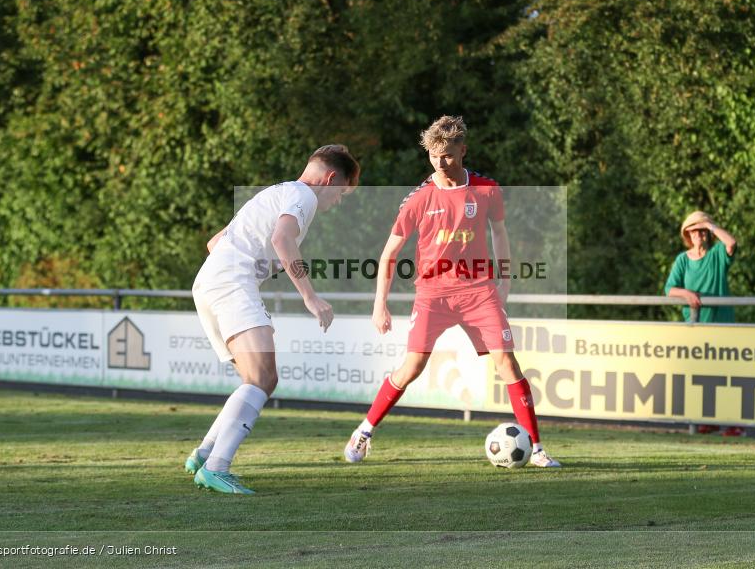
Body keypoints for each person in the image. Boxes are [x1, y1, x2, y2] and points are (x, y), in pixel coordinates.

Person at [343, 116, 561, 468]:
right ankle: (364, 432)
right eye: (432, 155)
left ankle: (536, 449)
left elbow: (500, 235)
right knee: (412, 366)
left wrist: (505, 282)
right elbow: (389, 254)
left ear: (463, 150)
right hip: (433, 294)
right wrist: (379, 305)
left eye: (446, 155)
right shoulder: (418, 200)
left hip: (478, 291)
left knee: (507, 362)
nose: (439, 163)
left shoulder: (487, 189)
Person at [187, 145, 360, 494]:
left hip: (207, 283)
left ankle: (204, 455)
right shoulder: (304, 195)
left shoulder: (275, 193)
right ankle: (217, 467)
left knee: (254, 380)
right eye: (341, 192)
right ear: (329, 179)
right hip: (231, 283)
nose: (337, 201)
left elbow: (214, 242)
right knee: (264, 377)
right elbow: (282, 239)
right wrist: (310, 297)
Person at [664, 210, 741, 435]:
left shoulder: (717, 254)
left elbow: (731, 243)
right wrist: (686, 294)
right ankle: (709, 420)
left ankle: (735, 423)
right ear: (688, 234)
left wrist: (711, 225)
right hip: (695, 325)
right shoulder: (682, 260)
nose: (699, 234)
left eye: (702, 230)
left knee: (728, 374)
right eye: (694, 230)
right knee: (703, 375)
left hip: (721, 323)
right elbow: (669, 289)